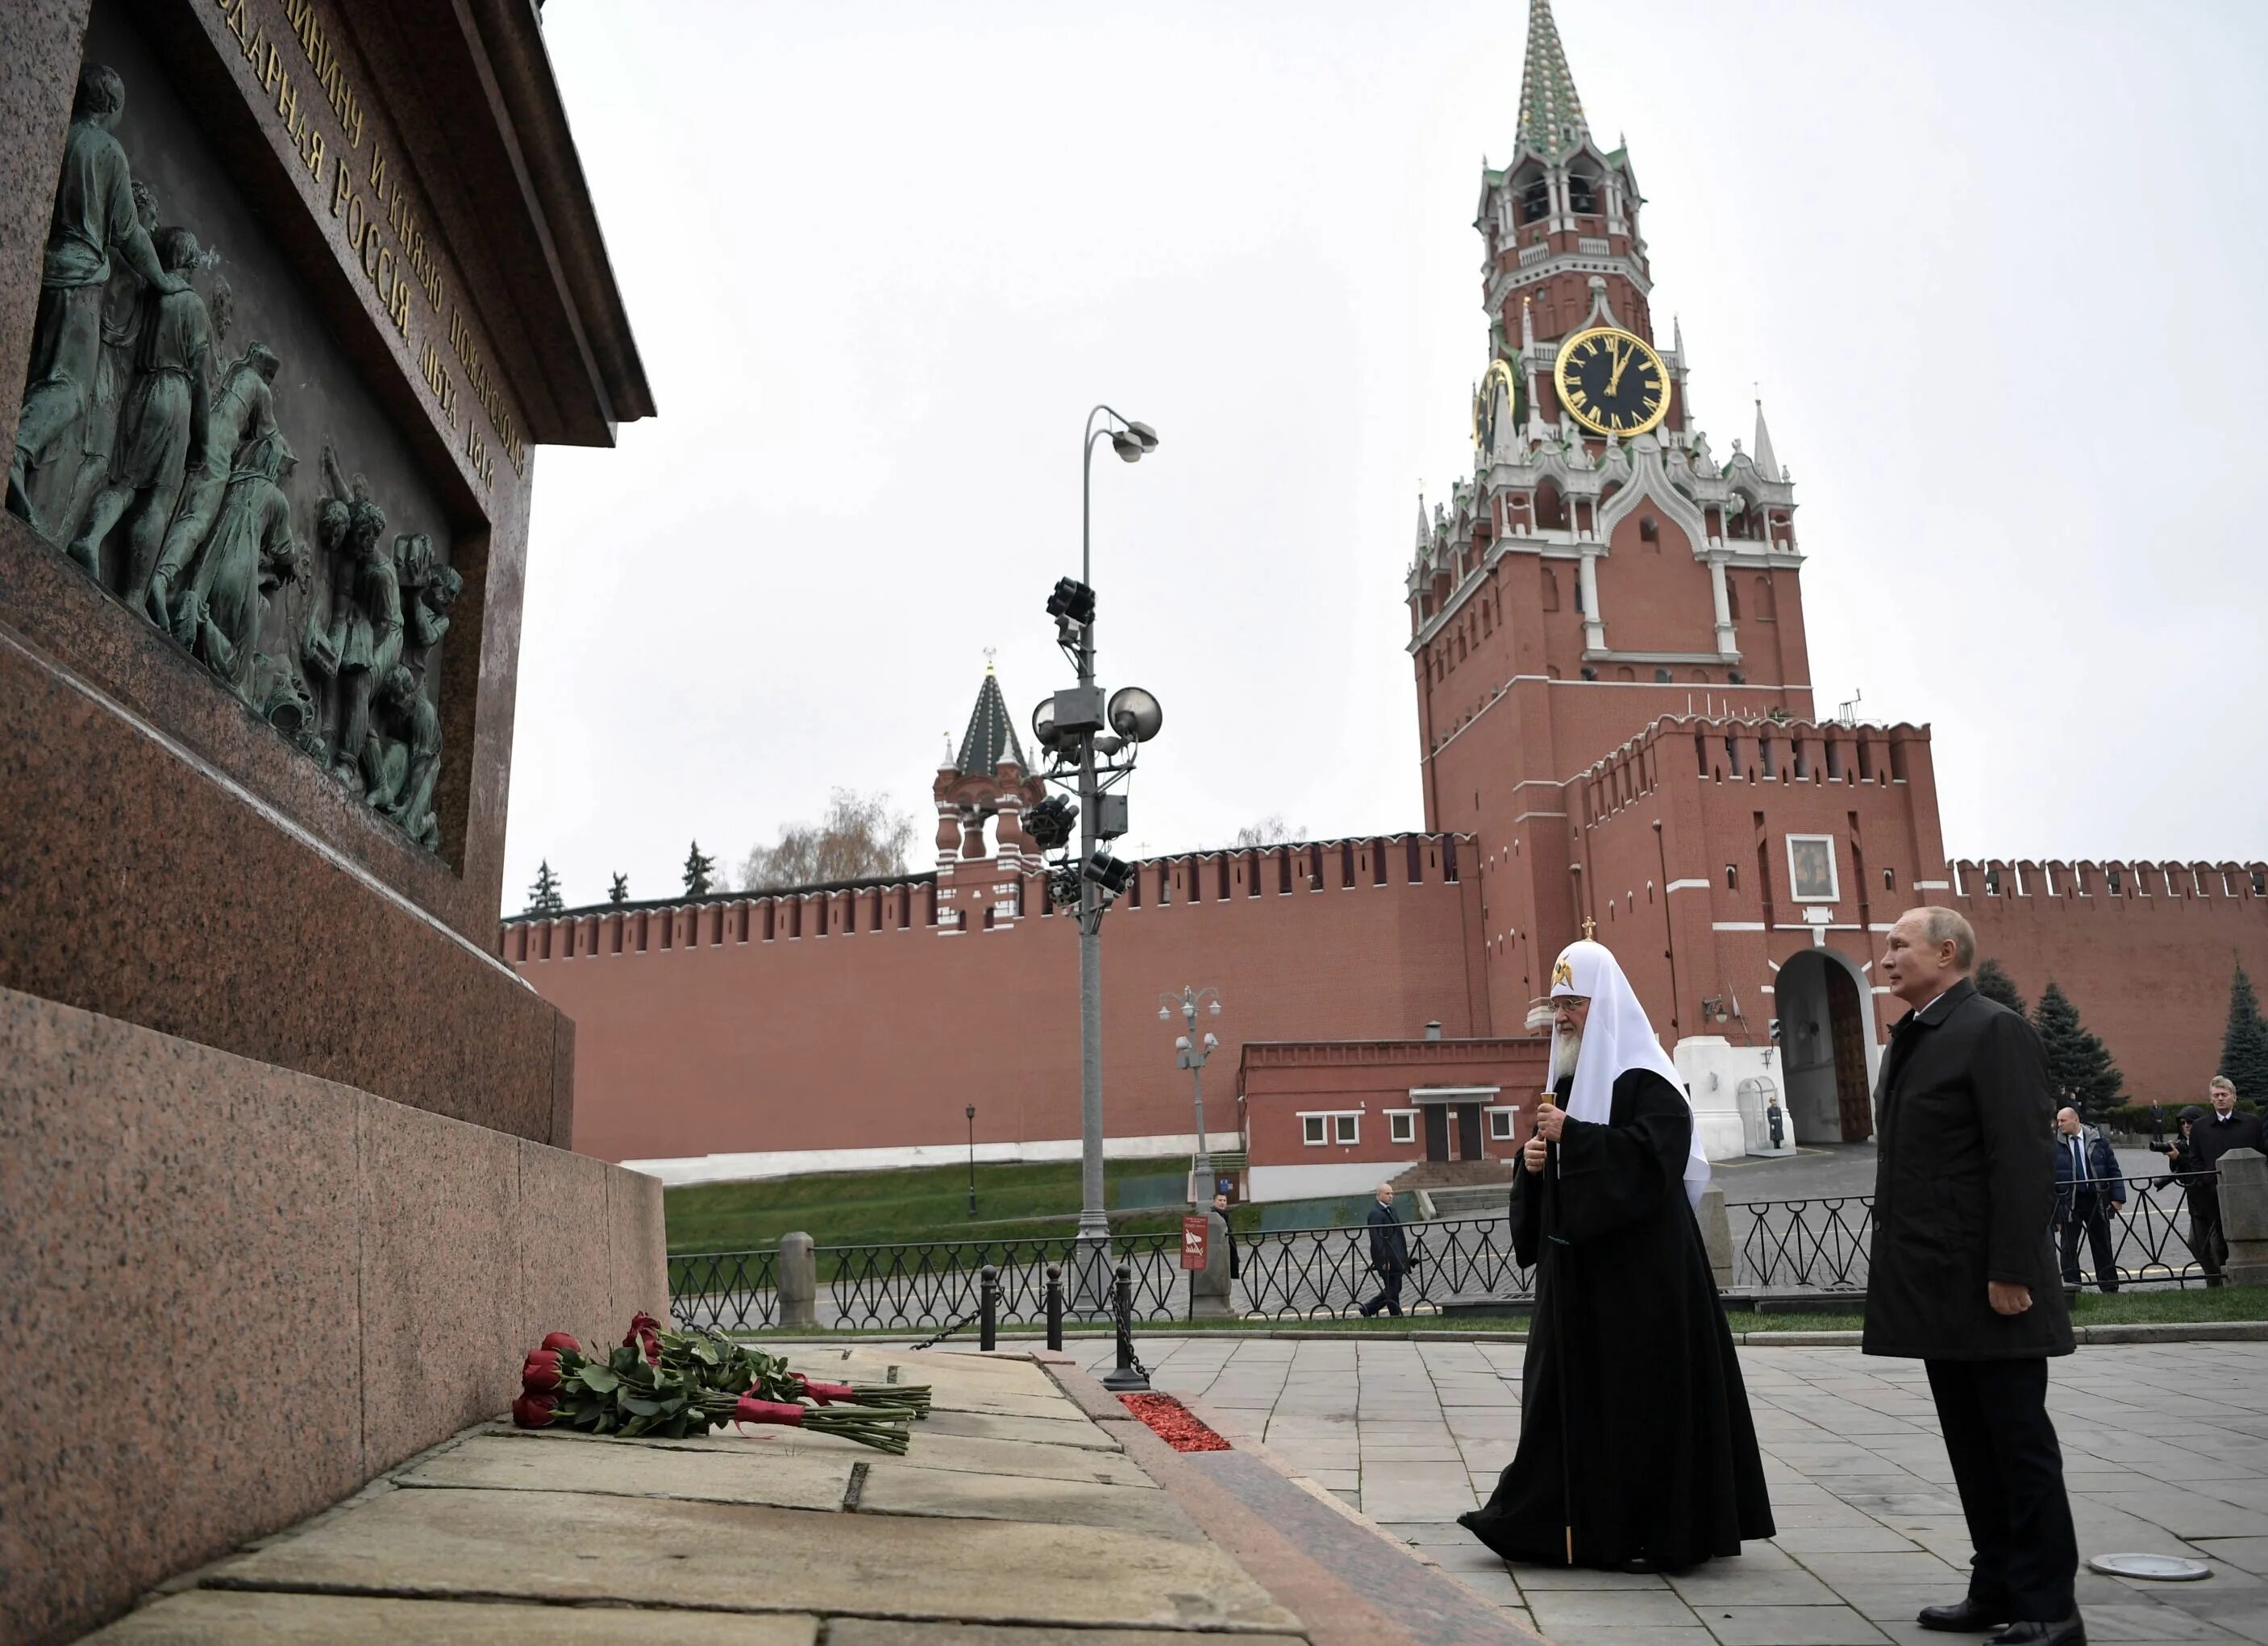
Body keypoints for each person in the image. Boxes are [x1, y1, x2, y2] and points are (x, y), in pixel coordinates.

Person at [1460, 939, 1773, 1573]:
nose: (1563, 1016)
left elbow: (1653, 1158)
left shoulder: (1647, 1077)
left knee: (1640, 1401)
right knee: (1563, 1397)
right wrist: (1531, 1165)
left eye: (1573, 1003)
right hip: (1575, 1281)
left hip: (1642, 1282)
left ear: (1603, 1004)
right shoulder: (1566, 1079)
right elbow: (1554, 1162)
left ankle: (1651, 1529)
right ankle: (1557, 1525)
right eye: (1556, 1004)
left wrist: (1572, 1140)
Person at [1866, 907, 2079, 1646]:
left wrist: (2013, 1268)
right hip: (1936, 1285)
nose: (1885, 958)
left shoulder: (1993, 1030)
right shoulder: (1914, 1040)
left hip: (1992, 1283)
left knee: (2018, 1447)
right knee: (1970, 1447)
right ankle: (1994, 1588)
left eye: (1898, 946)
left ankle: (2050, 1608)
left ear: (1946, 952)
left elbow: (2021, 1157)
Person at [7, 64, 183, 542]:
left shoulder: (60, 135)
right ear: (112, 105)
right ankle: (16, 449)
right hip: (82, 275)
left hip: (47, 265)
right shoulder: (107, 151)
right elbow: (127, 232)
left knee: (43, 374)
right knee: (69, 389)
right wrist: (162, 281)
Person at [2052, 1107, 2124, 1294]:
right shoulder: (2055, 1144)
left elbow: (2113, 1169)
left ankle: (2109, 1286)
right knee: (2069, 1247)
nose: (2059, 1125)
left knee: (2102, 1243)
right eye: (2058, 1121)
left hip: (2097, 1199)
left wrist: (2117, 1198)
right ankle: (2071, 1288)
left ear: (2075, 1120)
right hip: (2069, 1201)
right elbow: (2049, 1178)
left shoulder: (2097, 1140)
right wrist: (2055, 1212)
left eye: (2063, 1121)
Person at [2160, 1106, 2222, 1286]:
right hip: (2195, 1203)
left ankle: (2224, 1278)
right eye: (2183, 1123)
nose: (2186, 1126)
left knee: (2217, 1245)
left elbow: (2200, 1167)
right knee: (2196, 1243)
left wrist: (2180, 1158)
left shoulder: (2207, 1139)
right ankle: (2213, 1278)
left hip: (2213, 1199)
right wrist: (2175, 1157)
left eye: (2190, 1122)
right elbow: (2180, 1171)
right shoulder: (2182, 1142)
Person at [1359, 1184, 1409, 1318]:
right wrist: (1383, 1260)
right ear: (1378, 1195)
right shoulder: (1375, 1214)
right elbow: (1377, 1240)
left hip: (1397, 1256)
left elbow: (1399, 1235)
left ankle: (1369, 1309)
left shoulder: (1391, 1210)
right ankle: (1393, 1315)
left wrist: (1404, 1256)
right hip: (1388, 1257)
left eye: (1392, 1193)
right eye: (1387, 1193)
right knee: (1393, 1289)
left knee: (1394, 1288)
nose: (1391, 1196)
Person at [1212, 1191, 1241, 1281]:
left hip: (1227, 1254)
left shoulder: (1224, 1216)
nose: (1222, 1202)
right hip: (1220, 1256)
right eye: (1220, 1200)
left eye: (1224, 1200)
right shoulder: (1214, 1217)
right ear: (1214, 1202)